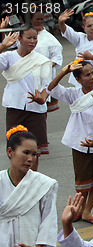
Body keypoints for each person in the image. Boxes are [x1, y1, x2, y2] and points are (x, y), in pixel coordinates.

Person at [47, 60, 93, 226]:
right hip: (81, 145)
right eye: (87, 74)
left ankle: (87, 211)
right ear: (78, 79)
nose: (92, 77)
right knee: (83, 183)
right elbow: (51, 89)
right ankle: (80, 209)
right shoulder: (74, 95)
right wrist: (63, 72)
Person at [0, 126, 58, 247]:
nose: (31, 159)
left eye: (34, 154)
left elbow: (49, 219)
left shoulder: (44, 184)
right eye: (26, 153)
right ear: (10, 152)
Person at [0, 28, 52, 171]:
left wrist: (42, 98)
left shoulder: (41, 60)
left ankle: (31, 181)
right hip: (15, 107)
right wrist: (3, 46)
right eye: (29, 38)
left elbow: (46, 85)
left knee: (34, 150)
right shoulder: (9, 57)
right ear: (19, 39)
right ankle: (16, 181)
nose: (32, 41)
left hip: (36, 110)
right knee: (16, 148)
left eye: (35, 38)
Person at [58, 10, 93, 93]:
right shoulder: (80, 38)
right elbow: (67, 33)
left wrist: (92, 57)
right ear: (83, 28)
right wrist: (61, 23)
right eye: (89, 26)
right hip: (83, 81)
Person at [30, 10, 63, 112]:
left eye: (42, 19)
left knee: (41, 108)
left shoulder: (49, 38)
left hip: (44, 78)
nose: (40, 21)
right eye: (37, 19)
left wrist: (45, 66)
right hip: (27, 75)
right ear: (30, 20)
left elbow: (57, 57)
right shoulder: (23, 35)